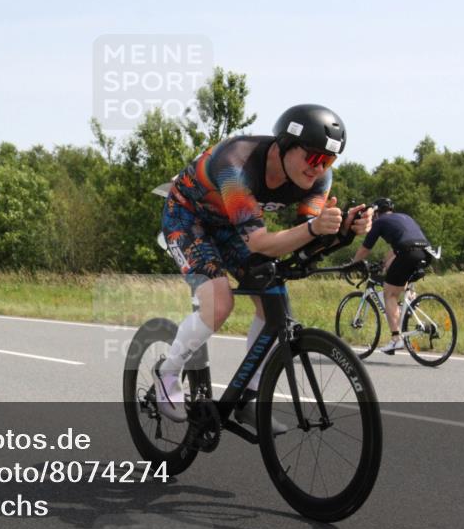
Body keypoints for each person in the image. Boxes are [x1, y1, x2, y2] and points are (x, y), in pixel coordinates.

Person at [157, 104, 371, 428]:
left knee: (275, 303)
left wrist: (343, 231)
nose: (319, 169)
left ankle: (248, 399)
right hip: (189, 218)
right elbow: (259, 242)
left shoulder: (318, 178)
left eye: (328, 160)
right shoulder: (236, 163)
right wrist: (315, 229)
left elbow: (307, 235)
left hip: (233, 228)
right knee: (219, 303)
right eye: (313, 157)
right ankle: (168, 372)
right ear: (285, 144)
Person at [351, 198, 432, 354]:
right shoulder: (404, 217)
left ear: (376, 213)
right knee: (398, 280)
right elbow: (397, 249)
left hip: (407, 253)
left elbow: (365, 249)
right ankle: (408, 306)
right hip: (425, 253)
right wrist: (382, 263)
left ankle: (396, 339)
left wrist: (353, 264)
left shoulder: (380, 222)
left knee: (389, 293)